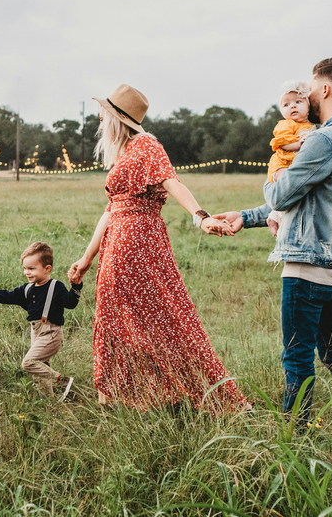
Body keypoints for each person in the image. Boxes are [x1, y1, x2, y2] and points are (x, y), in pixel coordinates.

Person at [215, 58, 332, 446]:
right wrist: (247, 216)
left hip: (307, 268)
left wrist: (274, 179)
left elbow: (284, 193)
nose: (305, 96)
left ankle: (293, 439)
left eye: (311, 88)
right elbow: (307, 199)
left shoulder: (322, 140)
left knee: (296, 356)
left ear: (325, 90)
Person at [68, 83, 250, 414]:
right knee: (118, 317)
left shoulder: (146, 145)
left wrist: (200, 217)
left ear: (117, 119)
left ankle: (180, 393)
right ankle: (121, 396)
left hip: (137, 242)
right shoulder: (125, 153)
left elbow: (172, 182)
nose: (98, 119)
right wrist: (86, 257)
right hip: (119, 243)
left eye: (103, 114)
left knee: (163, 316)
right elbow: (110, 211)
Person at [0, 242, 80, 400]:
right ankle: (49, 401)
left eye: (31, 268)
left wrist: (76, 286)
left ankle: (61, 381)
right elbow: (7, 296)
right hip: (35, 332)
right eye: (25, 268)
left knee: (29, 363)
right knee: (40, 369)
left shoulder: (56, 287)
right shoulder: (27, 289)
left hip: (51, 333)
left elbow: (70, 303)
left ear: (47, 268)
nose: (26, 272)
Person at [266, 80, 316, 237]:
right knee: (286, 185)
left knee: (295, 190)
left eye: (298, 102)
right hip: (281, 164)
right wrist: (297, 145)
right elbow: (280, 142)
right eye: (286, 105)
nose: (292, 106)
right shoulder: (286, 124)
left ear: (308, 106)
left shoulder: (310, 127)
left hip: (293, 165)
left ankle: (274, 216)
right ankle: (278, 217)